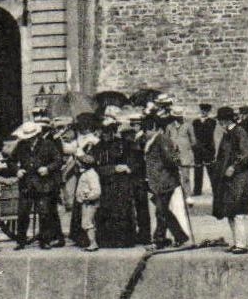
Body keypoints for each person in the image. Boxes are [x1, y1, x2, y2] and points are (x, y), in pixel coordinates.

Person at [210, 106, 248, 254]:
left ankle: (241, 244)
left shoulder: (239, 132)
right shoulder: (228, 133)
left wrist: (233, 167)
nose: (219, 123)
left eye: (221, 120)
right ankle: (237, 242)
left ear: (226, 120)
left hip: (239, 177)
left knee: (238, 211)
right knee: (230, 210)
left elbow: (247, 154)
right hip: (229, 179)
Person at [13, 121, 65, 249]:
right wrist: (17, 170)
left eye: (30, 138)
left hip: (43, 184)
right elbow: (11, 160)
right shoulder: (21, 145)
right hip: (26, 185)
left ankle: (45, 241)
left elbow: (58, 160)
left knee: (44, 214)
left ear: (36, 136)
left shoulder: (48, 144)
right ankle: (21, 241)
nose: (29, 140)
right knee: (23, 213)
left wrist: (47, 168)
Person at [142, 114, 190, 249]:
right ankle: (178, 237)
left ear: (154, 128)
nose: (145, 133)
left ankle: (160, 239)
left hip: (165, 181)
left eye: (147, 129)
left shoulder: (162, 139)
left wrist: (174, 174)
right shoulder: (152, 140)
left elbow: (170, 160)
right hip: (157, 182)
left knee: (161, 211)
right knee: (163, 211)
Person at [92, 120, 138, 249]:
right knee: (106, 211)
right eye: (105, 131)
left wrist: (128, 168)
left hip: (122, 184)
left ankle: (125, 240)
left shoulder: (124, 145)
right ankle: (107, 240)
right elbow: (96, 167)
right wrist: (113, 168)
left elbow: (134, 161)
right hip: (106, 184)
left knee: (123, 211)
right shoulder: (98, 147)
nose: (107, 134)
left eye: (110, 131)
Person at [191, 103, 217, 198]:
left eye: (205, 111)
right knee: (198, 170)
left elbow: (210, 135)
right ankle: (197, 190)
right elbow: (194, 135)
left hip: (208, 148)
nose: (203, 112)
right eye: (202, 110)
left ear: (208, 112)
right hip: (198, 149)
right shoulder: (195, 122)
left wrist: (207, 146)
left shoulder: (212, 122)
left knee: (211, 169)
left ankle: (215, 189)